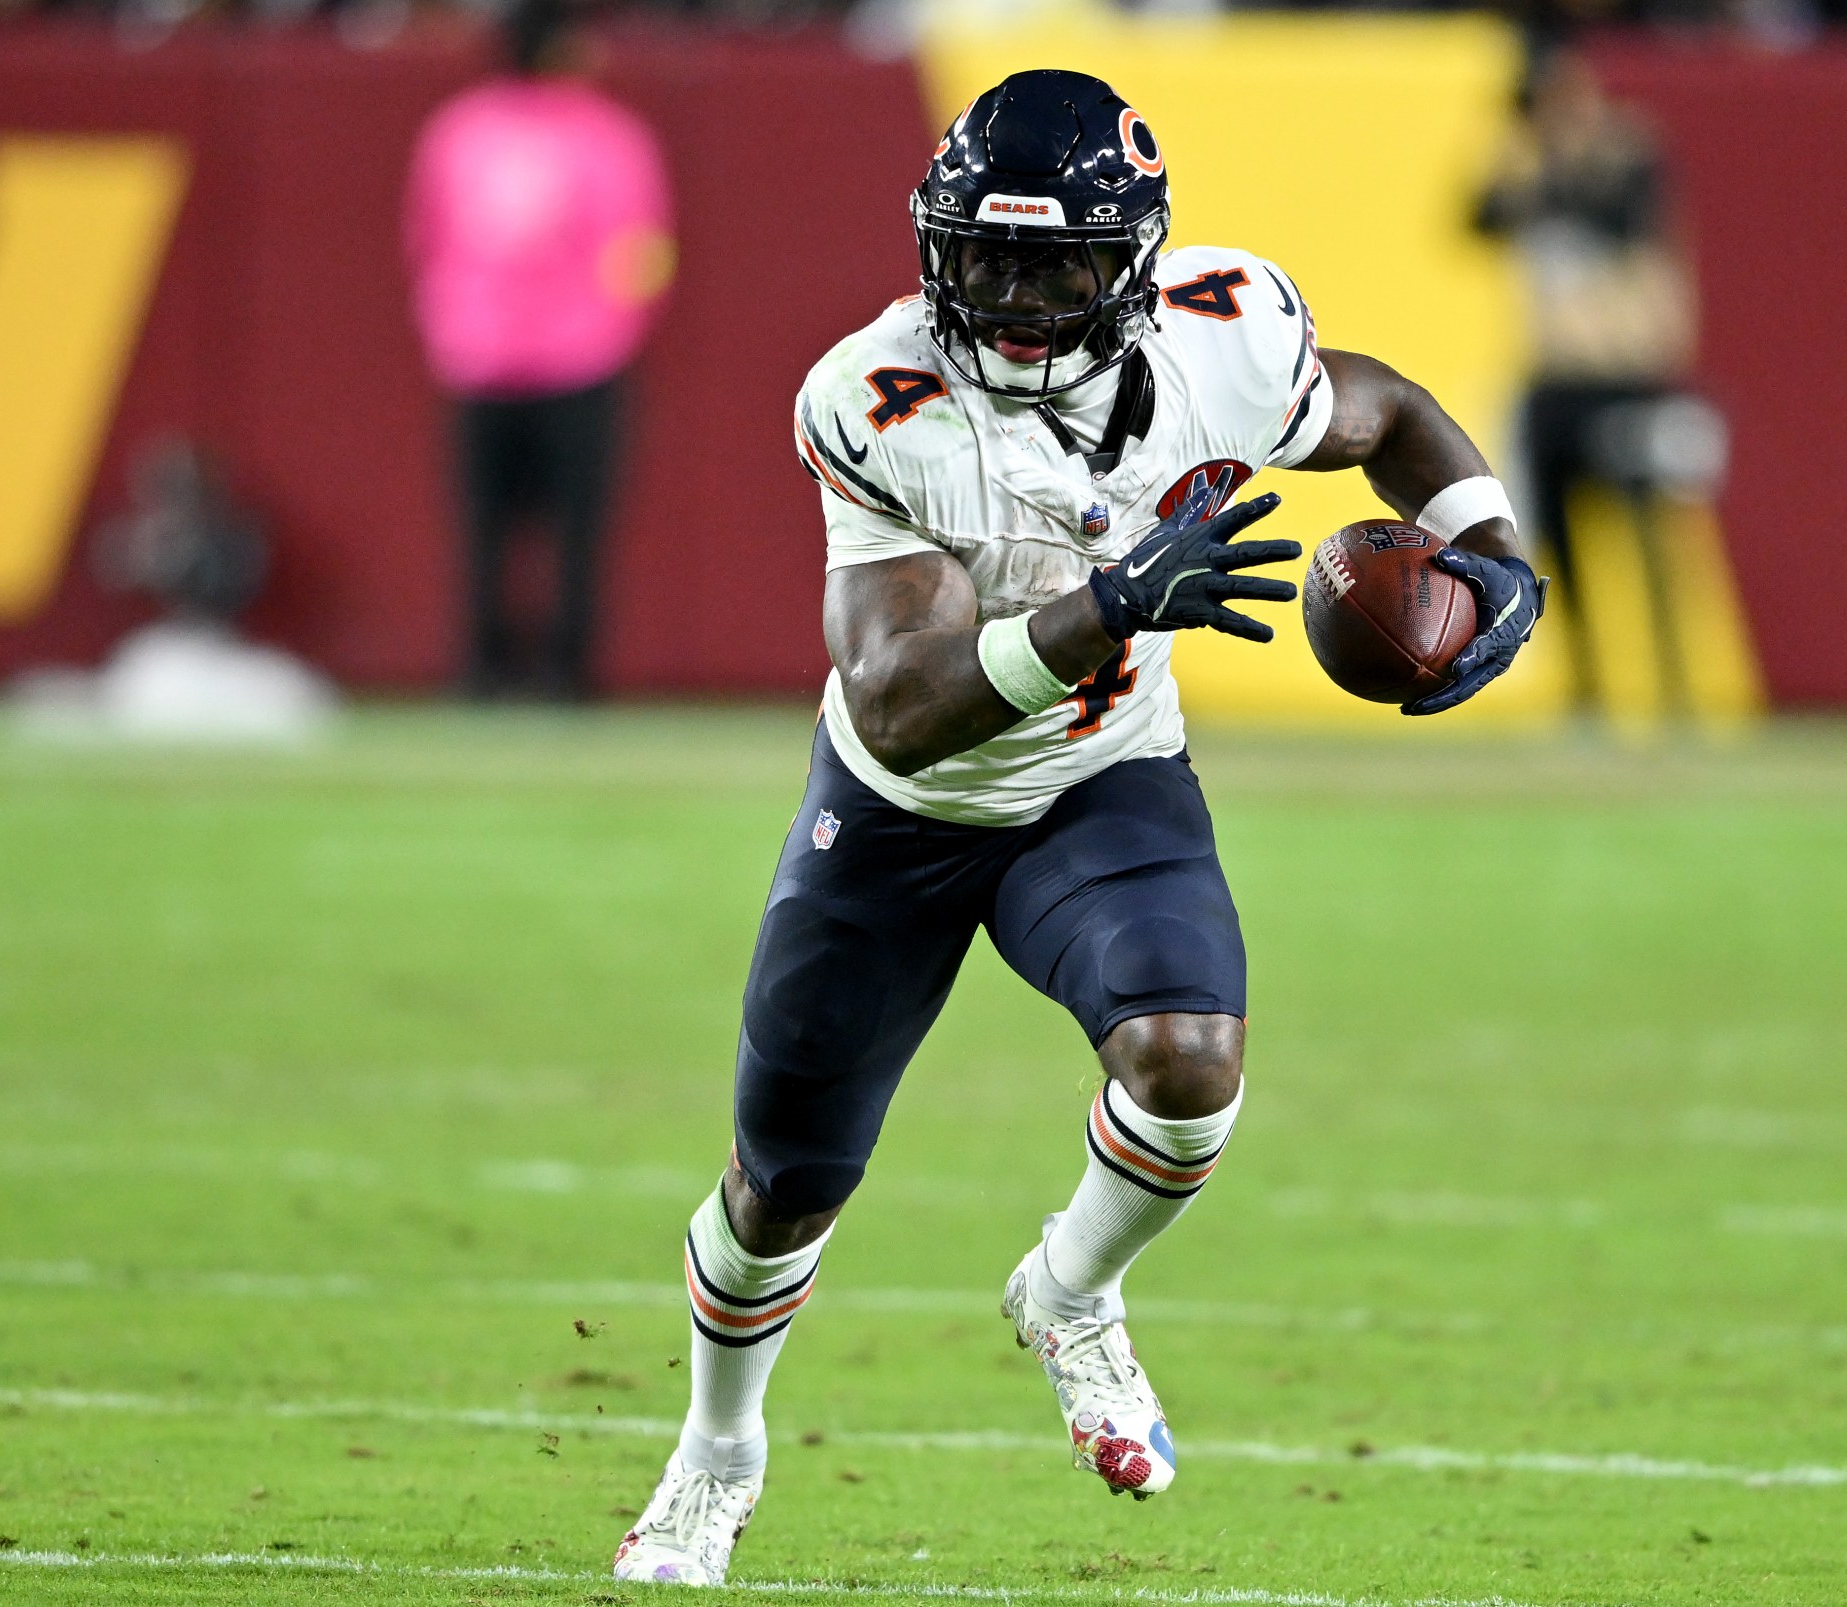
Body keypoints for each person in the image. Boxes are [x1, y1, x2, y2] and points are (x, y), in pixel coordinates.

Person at [611, 70, 1546, 1586]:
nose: (1018, 294)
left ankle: (1070, 1290)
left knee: (1190, 1062)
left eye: (1058, 262)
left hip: (1103, 780)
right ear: (936, 245)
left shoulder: (1221, 339)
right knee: (785, 1177)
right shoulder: (877, 393)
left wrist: (1493, 557)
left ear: (1136, 263)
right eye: (986, 253)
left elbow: (1389, 411)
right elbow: (907, 701)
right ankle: (717, 1447)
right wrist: (1110, 598)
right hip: (903, 810)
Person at [404, 0, 673, 699]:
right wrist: (619, 325)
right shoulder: (609, 134)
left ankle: (483, 670)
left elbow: (426, 240)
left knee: (483, 527)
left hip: (478, 353)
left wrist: (451, 326)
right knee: (578, 529)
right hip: (582, 357)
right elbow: (640, 248)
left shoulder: (458, 129)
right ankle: (565, 674)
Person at [1475, 47, 1697, 703]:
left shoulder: (1624, 165)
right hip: (1555, 383)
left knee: (1648, 534)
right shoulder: (1534, 181)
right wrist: (1526, 158)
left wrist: (1584, 148)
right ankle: (1590, 688)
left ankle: (1672, 686)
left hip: (1624, 378)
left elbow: (1632, 222)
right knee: (1560, 545)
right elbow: (1473, 215)